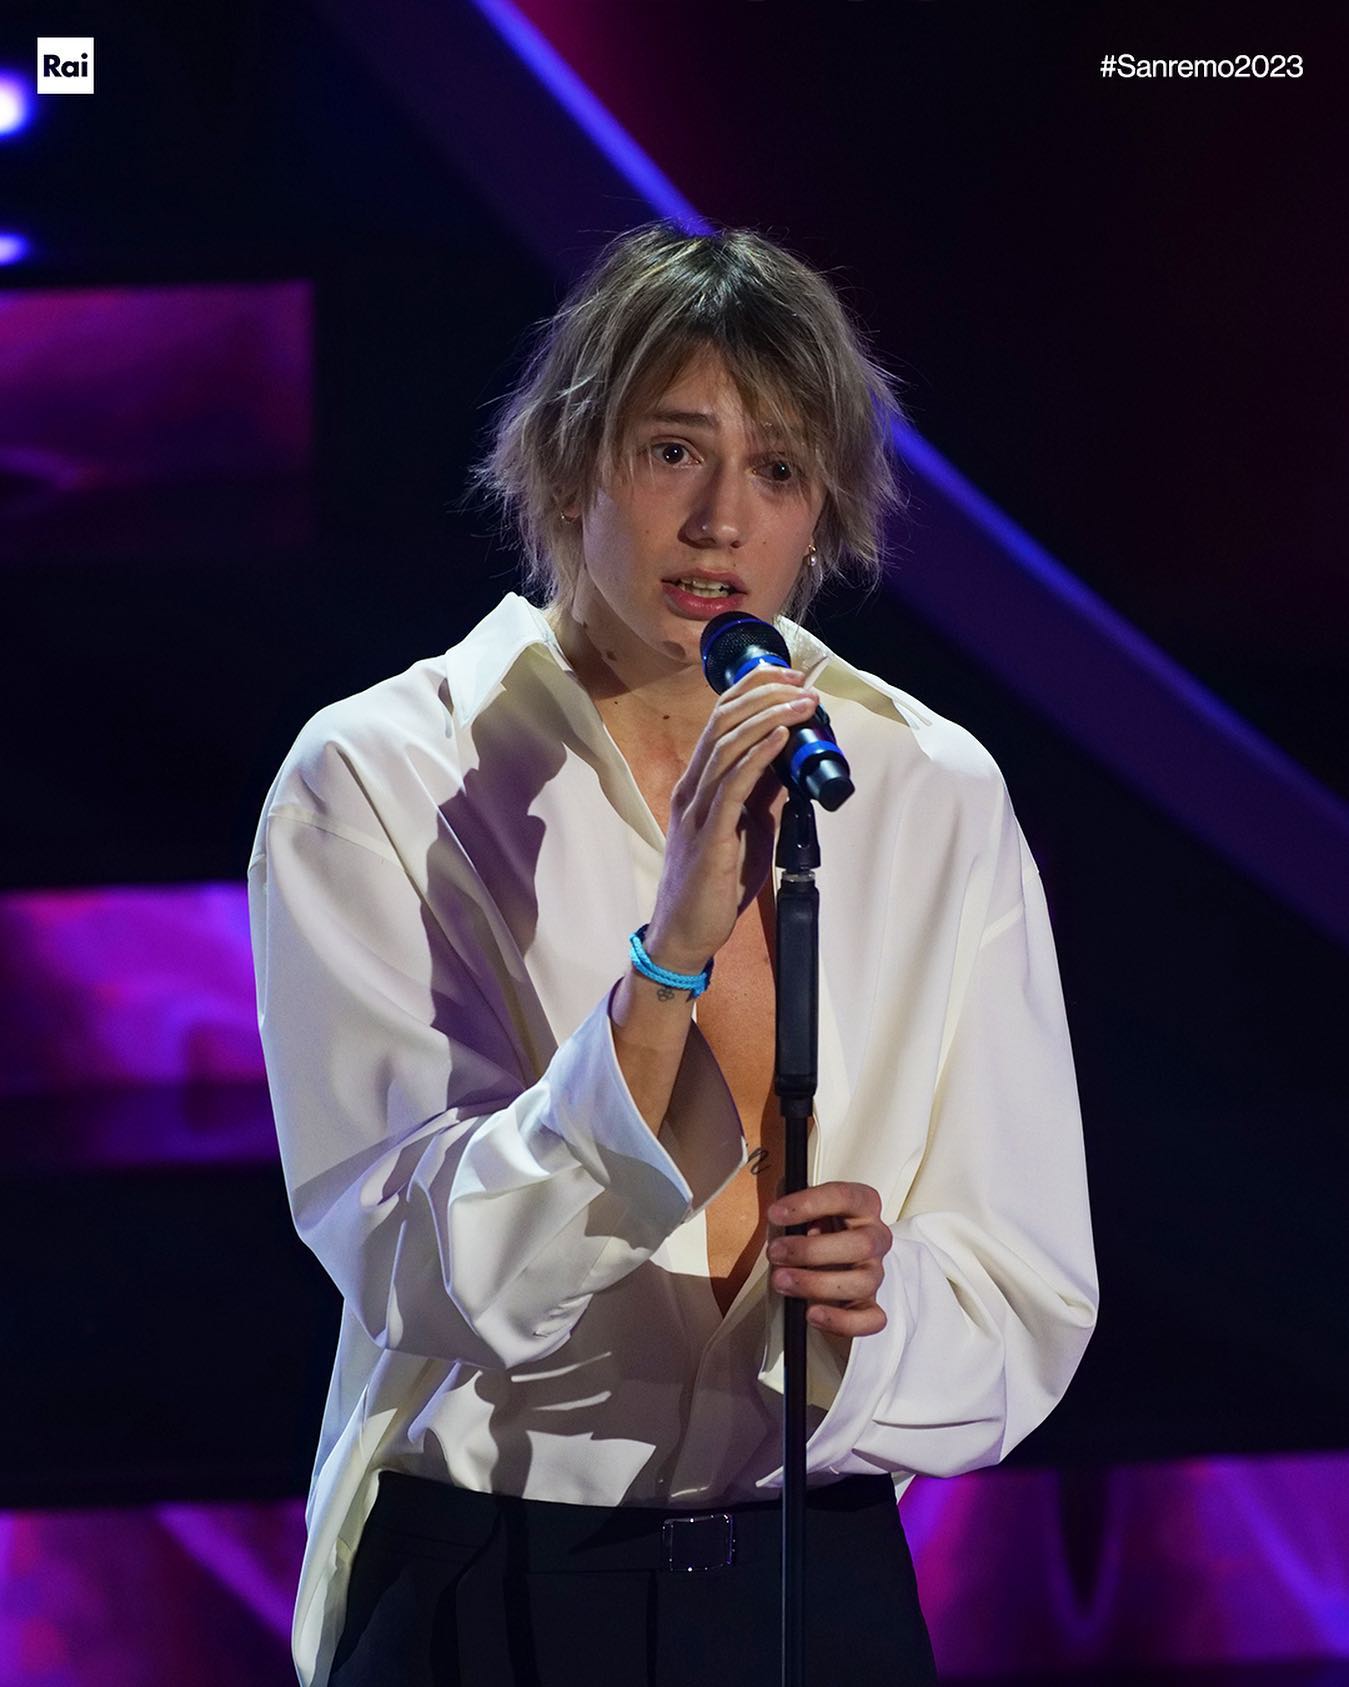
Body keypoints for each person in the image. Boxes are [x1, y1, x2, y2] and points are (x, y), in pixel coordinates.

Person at [246, 219, 1098, 1687]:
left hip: (813, 1576)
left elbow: (1024, 1286)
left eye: (778, 471)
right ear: (572, 467)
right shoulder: (380, 775)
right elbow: (410, 1263)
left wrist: (873, 1310)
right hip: (496, 1576)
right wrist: (669, 960)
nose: (720, 522)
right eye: (671, 452)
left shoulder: (927, 787)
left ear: (823, 514)